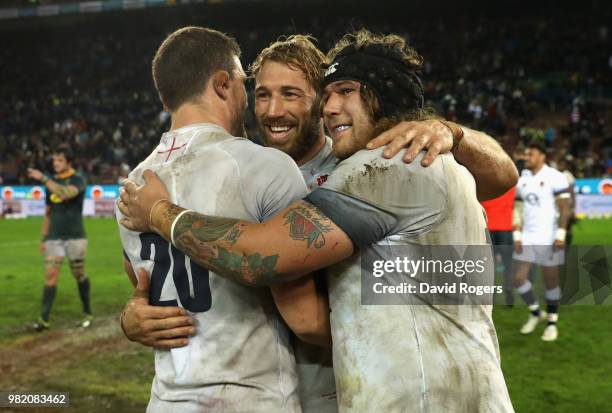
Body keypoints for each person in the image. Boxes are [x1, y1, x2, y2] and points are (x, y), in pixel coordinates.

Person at [119, 29, 515, 412]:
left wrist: (452, 131)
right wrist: (136, 315)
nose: (274, 110)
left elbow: (503, 177)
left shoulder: (380, 163)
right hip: (322, 389)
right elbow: (161, 274)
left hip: (364, 390)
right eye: (262, 95)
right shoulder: (245, 172)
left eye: (292, 94)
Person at [116, 26, 318, 412]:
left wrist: (132, 316)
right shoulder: (264, 166)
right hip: (252, 398)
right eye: (245, 84)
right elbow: (306, 319)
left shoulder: (132, 187)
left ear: (165, 96)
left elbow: (141, 284)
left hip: (167, 399)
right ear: (224, 84)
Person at [27, 145, 91, 331]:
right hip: (54, 237)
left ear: (69, 162)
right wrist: (43, 237)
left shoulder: (78, 179)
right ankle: (44, 319)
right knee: (50, 275)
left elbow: (65, 193)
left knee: (78, 274)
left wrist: (44, 178)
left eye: (60, 160)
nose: (56, 163)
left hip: (75, 236)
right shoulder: (51, 182)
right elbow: (48, 212)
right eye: (54, 160)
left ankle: (87, 311)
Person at [512, 141, 570, 342]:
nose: (527, 158)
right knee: (519, 278)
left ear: (542, 157)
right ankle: (536, 313)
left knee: (551, 281)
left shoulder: (555, 176)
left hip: (549, 236)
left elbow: (564, 208)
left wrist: (560, 234)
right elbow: (518, 208)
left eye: (532, 155)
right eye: (526, 155)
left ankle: (552, 322)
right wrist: (517, 235)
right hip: (528, 236)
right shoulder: (523, 179)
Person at [481, 187, 516, 306]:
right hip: (505, 227)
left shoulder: (483, 185)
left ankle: (492, 296)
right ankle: (509, 293)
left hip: (489, 228)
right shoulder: (511, 183)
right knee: (508, 264)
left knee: (490, 265)